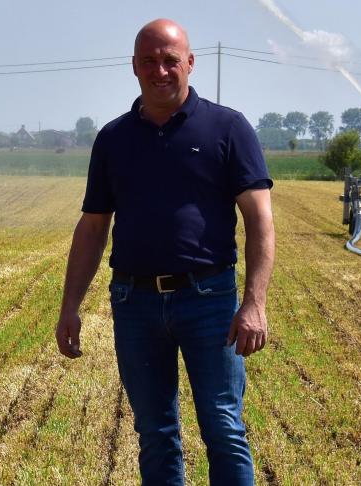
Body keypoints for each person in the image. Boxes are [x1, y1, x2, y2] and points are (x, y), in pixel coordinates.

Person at [55, 18, 274, 485]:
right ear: (134, 66)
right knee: (155, 432)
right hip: (135, 304)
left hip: (210, 300)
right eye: (149, 61)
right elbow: (94, 227)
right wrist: (69, 305)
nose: (160, 70)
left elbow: (259, 220)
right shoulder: (114, 139)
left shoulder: (228, 128)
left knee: (223, 428)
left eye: (170, 60)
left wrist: (253, 303)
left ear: (190, 63)